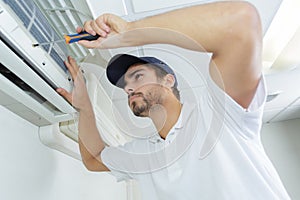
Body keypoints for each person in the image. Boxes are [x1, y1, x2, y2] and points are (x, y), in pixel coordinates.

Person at [57, 1, 291, 199]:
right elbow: (93, 158)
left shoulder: (219, 113)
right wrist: (84, 107)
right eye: (125, 86)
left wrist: (131, 31)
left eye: (137, 76)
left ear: (168, 80)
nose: (128, 88)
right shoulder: (142, 154)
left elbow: (240, 22)